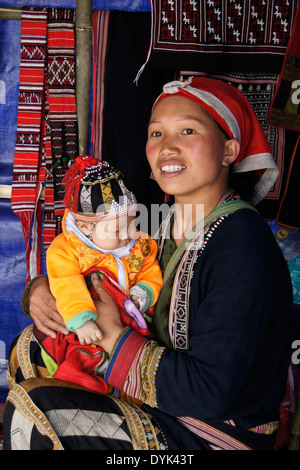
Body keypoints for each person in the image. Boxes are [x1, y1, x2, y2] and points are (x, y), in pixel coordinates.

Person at [4, 77, 294, 450]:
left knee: (36, 417)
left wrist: (110, 335)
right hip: (160, 404)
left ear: (228, 150)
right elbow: (95, 263)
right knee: (29, 347)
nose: (167, 148)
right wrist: (41, 290)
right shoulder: (156, 225)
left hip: (214, 432)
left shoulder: (243, 247)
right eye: (156, 133)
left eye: (187, 130)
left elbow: (209, 393)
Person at [46, 157, 162, 346]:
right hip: (87, 329)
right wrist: (81, 319)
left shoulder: (140, 244)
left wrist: (144, 291)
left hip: (130, 322)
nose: (127, 235)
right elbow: (66, 284)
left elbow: (150, 269)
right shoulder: (65, 251)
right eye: (116, 230)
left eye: (132, 223)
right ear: (85, 228)